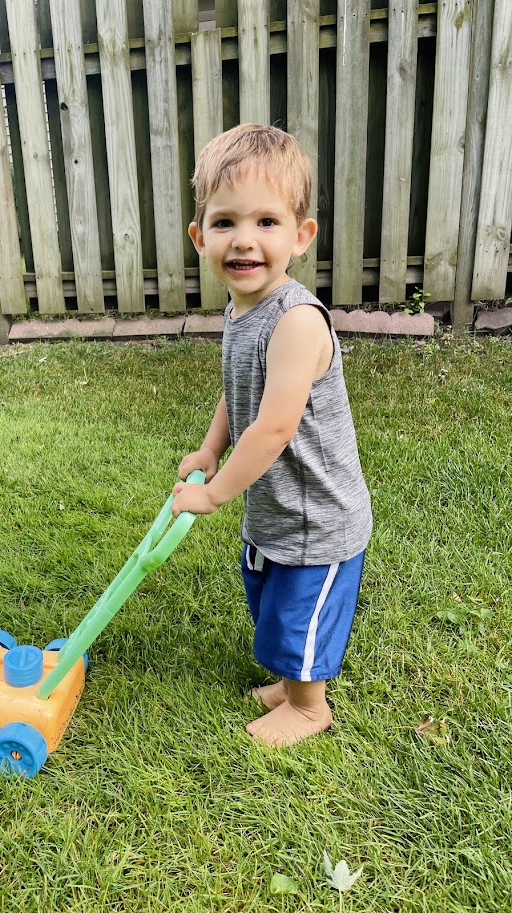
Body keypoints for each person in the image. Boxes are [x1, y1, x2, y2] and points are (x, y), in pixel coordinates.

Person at [170, 124, 372, 746]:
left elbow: (277, 423)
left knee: (298, 610)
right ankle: (290, 682)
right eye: (226, 222)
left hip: (319, 515)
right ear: (200, 236)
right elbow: (240, 393)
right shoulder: (240, 310)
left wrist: (215, 492)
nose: (244, 241)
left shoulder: (296, 322)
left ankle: (310, 707)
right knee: (269, 595)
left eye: (266, 222)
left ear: (300, 236)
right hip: (277, 508)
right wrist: (210, 447)